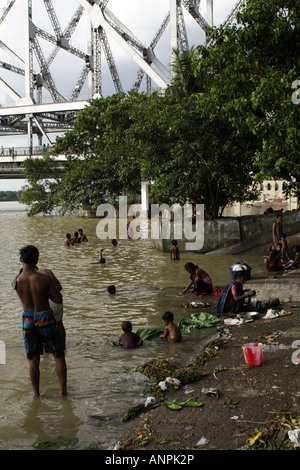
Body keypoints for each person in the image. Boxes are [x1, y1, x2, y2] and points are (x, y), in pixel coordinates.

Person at [14, 245, 67, 397]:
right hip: (44, 316)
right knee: (58, 355)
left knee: (33, 359)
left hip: (27, 318)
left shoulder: (17, 281)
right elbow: (58, 299)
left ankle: (36, 394)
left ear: (21, 260)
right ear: (37, 259)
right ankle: (63, 393)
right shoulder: (45, 278)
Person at [36, 266, 66, 350]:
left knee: (41, 326)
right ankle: (63, 347)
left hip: (45, 303)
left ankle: (45, 349)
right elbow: (60, 287)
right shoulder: (47, 271)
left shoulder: (30, 276)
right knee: (60, 324)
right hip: (57, 301)